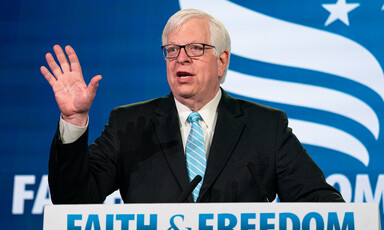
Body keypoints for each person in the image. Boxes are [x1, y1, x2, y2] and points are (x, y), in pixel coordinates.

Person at [41, 8, 344, 204]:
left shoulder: (266, 127)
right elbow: (73, 201)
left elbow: (322, 206)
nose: (181, 58)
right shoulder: (129, 125)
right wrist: (74, 119)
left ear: (222, 61)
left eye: (195, 48)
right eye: (172, 50)